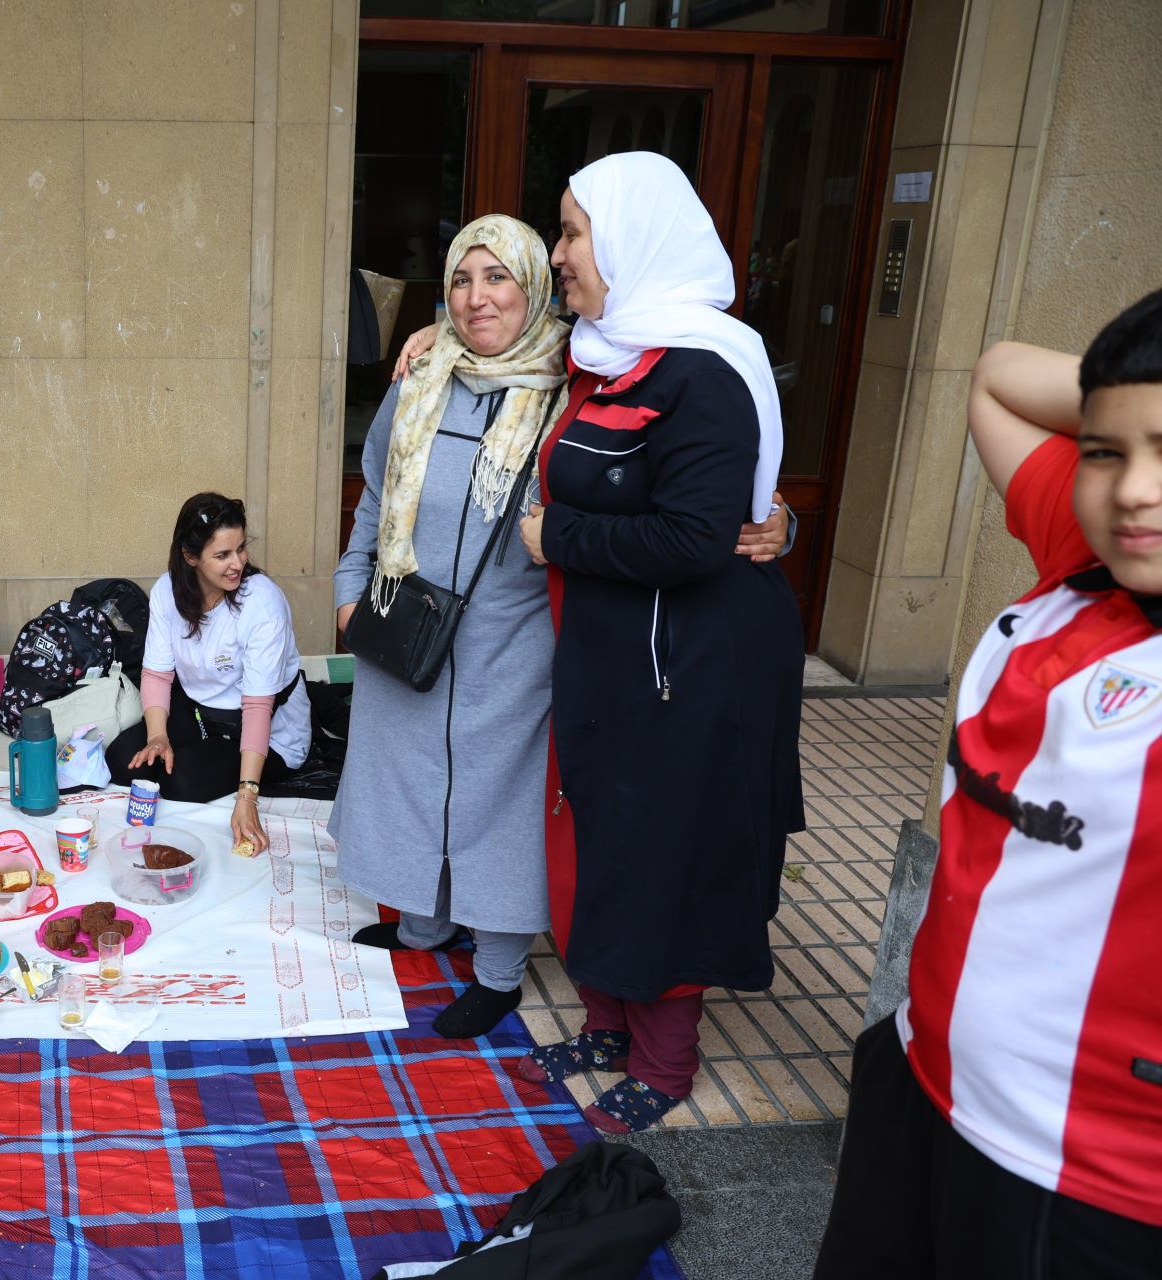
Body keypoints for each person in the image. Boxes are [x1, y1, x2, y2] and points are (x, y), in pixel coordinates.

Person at [814, 294, 1162, 1277]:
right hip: (923, 1077)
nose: (1135, 488)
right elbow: (1001, 375)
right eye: (1106, 448)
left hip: (1086, 1180)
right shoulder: (1095, 555)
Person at [511, 152, 804, 1132]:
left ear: (631, 240)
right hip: (614, 656)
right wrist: (428, 332)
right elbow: (493, 330)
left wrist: (561, 534)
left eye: (572, 231)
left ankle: (664, 1062)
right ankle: (608, 1020)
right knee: (602, 835)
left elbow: (694, 535)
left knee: (661, 851)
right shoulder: (608, 346)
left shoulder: (705, 371)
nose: (558, 255)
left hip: (688, 667)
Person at [332, 214, 574, 1040]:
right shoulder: (424, 374)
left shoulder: (570, 390)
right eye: (462, 281)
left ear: (534, 286)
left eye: (497, 278)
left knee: (497, 800)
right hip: (407, 620)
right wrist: (346, 593)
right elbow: (374, 493)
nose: (478, 299)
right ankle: (425, 926)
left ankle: (500, 970)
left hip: (512, 643)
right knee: (401, 773)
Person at [105, 493, 310, 853]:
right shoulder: (168, 592)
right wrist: (157, 737)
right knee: (123, 762)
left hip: (266, 730)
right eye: (222, 555)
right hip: (201, 714)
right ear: (190, 556)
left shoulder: (263, 604)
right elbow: (157, 675)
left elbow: (259, 707)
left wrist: (247, 796)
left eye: (241, 549)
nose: (238, 564)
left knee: (180, 784)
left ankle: (227, 769)